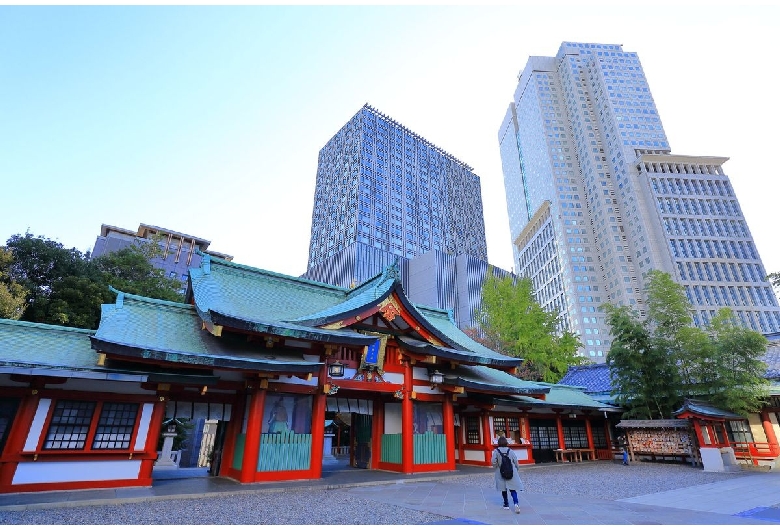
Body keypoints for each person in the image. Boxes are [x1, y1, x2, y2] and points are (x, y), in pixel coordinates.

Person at [491, 436, 524, 514]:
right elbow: (516, 461)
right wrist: (516, 468)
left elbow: (493, 462)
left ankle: (506, 504)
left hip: (500, 472)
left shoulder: (496, 451)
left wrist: (496, 466)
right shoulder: (511, 451)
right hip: (511, 471)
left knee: (504, 489)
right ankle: (516, 503)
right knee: (513, 489)